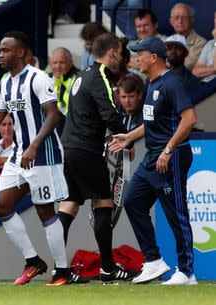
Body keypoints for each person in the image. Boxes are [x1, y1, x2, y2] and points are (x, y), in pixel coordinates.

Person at [0, 31, 83, 286]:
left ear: (20, 52)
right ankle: (33, 261)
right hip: (18, 155)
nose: (0, 54)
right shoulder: (4, 83)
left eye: (5, 50)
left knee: (45, 211)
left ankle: (62, 271)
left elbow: (53, 115)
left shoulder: (38, 78)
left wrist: (34, 145)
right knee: (2, 207)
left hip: (43, 154)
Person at [110, 36, 198, 285]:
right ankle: (153, 261)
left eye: (141, 53)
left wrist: (168, 150)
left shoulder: (172, 83)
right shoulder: (151, 84)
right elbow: (151, 123)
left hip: (172, 156)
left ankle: (186, 272)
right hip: (153, 156)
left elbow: (189, 119)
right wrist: (129, 136)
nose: (137, 58)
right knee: (133, 202)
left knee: (176, 214)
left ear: (154, 58)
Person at [59, 33, 139, 283]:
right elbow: (110, 114)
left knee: (69, 205)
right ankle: (107, 267)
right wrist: (126, 139)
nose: (121, 59)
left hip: (70, 148)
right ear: (113, 52)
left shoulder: (81, 76)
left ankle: (60, 269)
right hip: (86, 150)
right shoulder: (100, 76)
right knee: (103, 202)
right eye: (120, 53)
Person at [49, 47, 79, 134]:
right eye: (55, 63)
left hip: (71, 127)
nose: (58, 66)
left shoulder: (78, 79)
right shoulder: (46, 78)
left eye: (62, 62)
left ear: (70, 63)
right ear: (50, 64)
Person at [169, 3, 206, 71]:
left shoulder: (200, 43)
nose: (180, 21)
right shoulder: (167, 40)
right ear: (171, 21)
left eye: (184, 17)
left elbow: (187, 66)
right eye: (176, 17)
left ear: (191, 20)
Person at [128, 9, 166, 73]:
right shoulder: (130, 45)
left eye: (145, 25)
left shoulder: (165, 41)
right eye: (138, 26)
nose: (142, 30)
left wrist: (128, 61)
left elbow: (161, 64)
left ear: (155, 25)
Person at [192, 11, 216, 83]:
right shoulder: (210, 44)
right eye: (215, 18)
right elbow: (196, 71)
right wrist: (214, 70)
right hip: (205, 86)